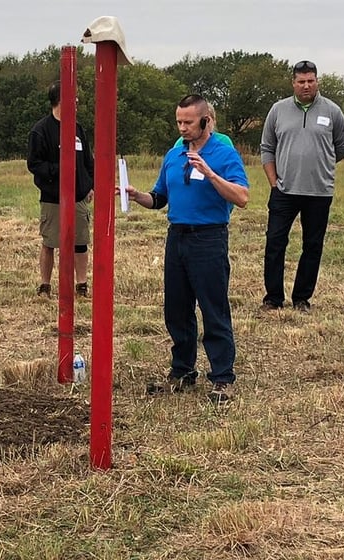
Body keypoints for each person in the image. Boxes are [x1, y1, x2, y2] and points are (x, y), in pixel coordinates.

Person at [123, 94, 249, 404]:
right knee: (177, 309)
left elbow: (242, 197)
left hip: (208, 237)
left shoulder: (224, 152)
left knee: (212, 307)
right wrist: (138, 196)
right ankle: (182, 372)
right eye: (179, 121)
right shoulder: (174, 153)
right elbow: (160, 197)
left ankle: (222, 378)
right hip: (176, 235)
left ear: (205, 121)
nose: (182, 128)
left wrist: (210, 173)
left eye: (188, 122)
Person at [259, 60, 344, 313]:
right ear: (293, 83)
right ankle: (273, 298)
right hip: (284, 191)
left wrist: (321, 163)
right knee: (275, 243)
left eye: (310, 80)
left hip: (319, 192)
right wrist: (273, 182)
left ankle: (301, 298)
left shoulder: (332, 111)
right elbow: (267, 148)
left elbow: (343, 147)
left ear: (317, 81)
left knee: (312, 246)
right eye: (301, 81)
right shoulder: (278, 110)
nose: (306, 85)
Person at [27, 81, 94, 298]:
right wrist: (59, 169)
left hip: (79, 196)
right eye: (73, 99)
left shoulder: (78, 128)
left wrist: (89, 184)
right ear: (60, 101)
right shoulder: (41, 130)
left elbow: (87, 161)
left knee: (80, 242)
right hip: (53, 197)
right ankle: (45, 286)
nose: (76, 102)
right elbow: (34, 164)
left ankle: (81, 285)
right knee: (50, 242)